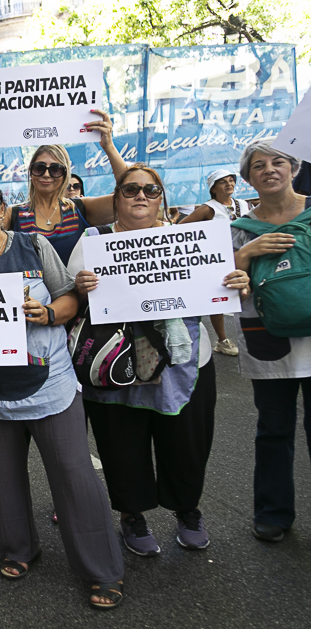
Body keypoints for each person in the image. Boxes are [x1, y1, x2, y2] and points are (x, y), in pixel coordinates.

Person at [0, 179, 125, 610]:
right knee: (1, 477)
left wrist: (48, 313)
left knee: (74, 474)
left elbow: (69, 299)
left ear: (2, 207)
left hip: (49, 383)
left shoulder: (34, 246)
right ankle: (17, 548)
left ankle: (102, 568)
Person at [69, 164, 250, 556]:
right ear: (116, 197)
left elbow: (216, 292)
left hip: (185, 363)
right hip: (115, 362)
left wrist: (235, 282)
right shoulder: (93, 241)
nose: (141, 196)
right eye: (131, 189)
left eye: (151, 190)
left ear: (161, 198)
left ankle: (188, 510)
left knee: (186, 443)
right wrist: (81, 289)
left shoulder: (189, 242)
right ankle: (132, 514)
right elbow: (71, 300)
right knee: (121, 444)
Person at [230, 139, 311, 543]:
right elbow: (224, 287)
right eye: (258, 165)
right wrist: (247, 254)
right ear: (248, 178)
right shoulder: (239, 231)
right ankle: (273, 512)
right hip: (267, 342)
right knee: (273, 428)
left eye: (278, 161)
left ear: (294, 168)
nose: (269, 170)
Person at [0, 110, 127, 265]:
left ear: (65, 174)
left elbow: (129, 195)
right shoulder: (13, 214)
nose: (46, 174)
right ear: (31, 173)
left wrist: (109, 146)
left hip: (77, 282)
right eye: (39, 168)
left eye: (55, 169)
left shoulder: (81, 208)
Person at [180, 169, 253, 356]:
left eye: (231, 180)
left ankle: (254, 336)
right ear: (213, 188)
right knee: (219, 299)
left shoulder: (244, 204)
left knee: (249, 295)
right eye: (223, 181)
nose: (229, 184)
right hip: (220, 260)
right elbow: (181, 229)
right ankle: (222, 340)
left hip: (246, 257)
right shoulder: (208, 208)